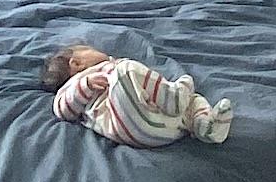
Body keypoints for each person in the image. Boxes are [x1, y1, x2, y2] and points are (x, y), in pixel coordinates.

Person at [39, 43, 232, 147]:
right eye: (89, 49)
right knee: (126, 69)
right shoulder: (78, 83)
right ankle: (175, 98)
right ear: (76, 63)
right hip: (129, 122)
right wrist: (85, 85)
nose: (98, 50)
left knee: (194, 100)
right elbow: (61, 109)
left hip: (166, 128)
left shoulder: (111, 68)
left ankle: (205, 127)